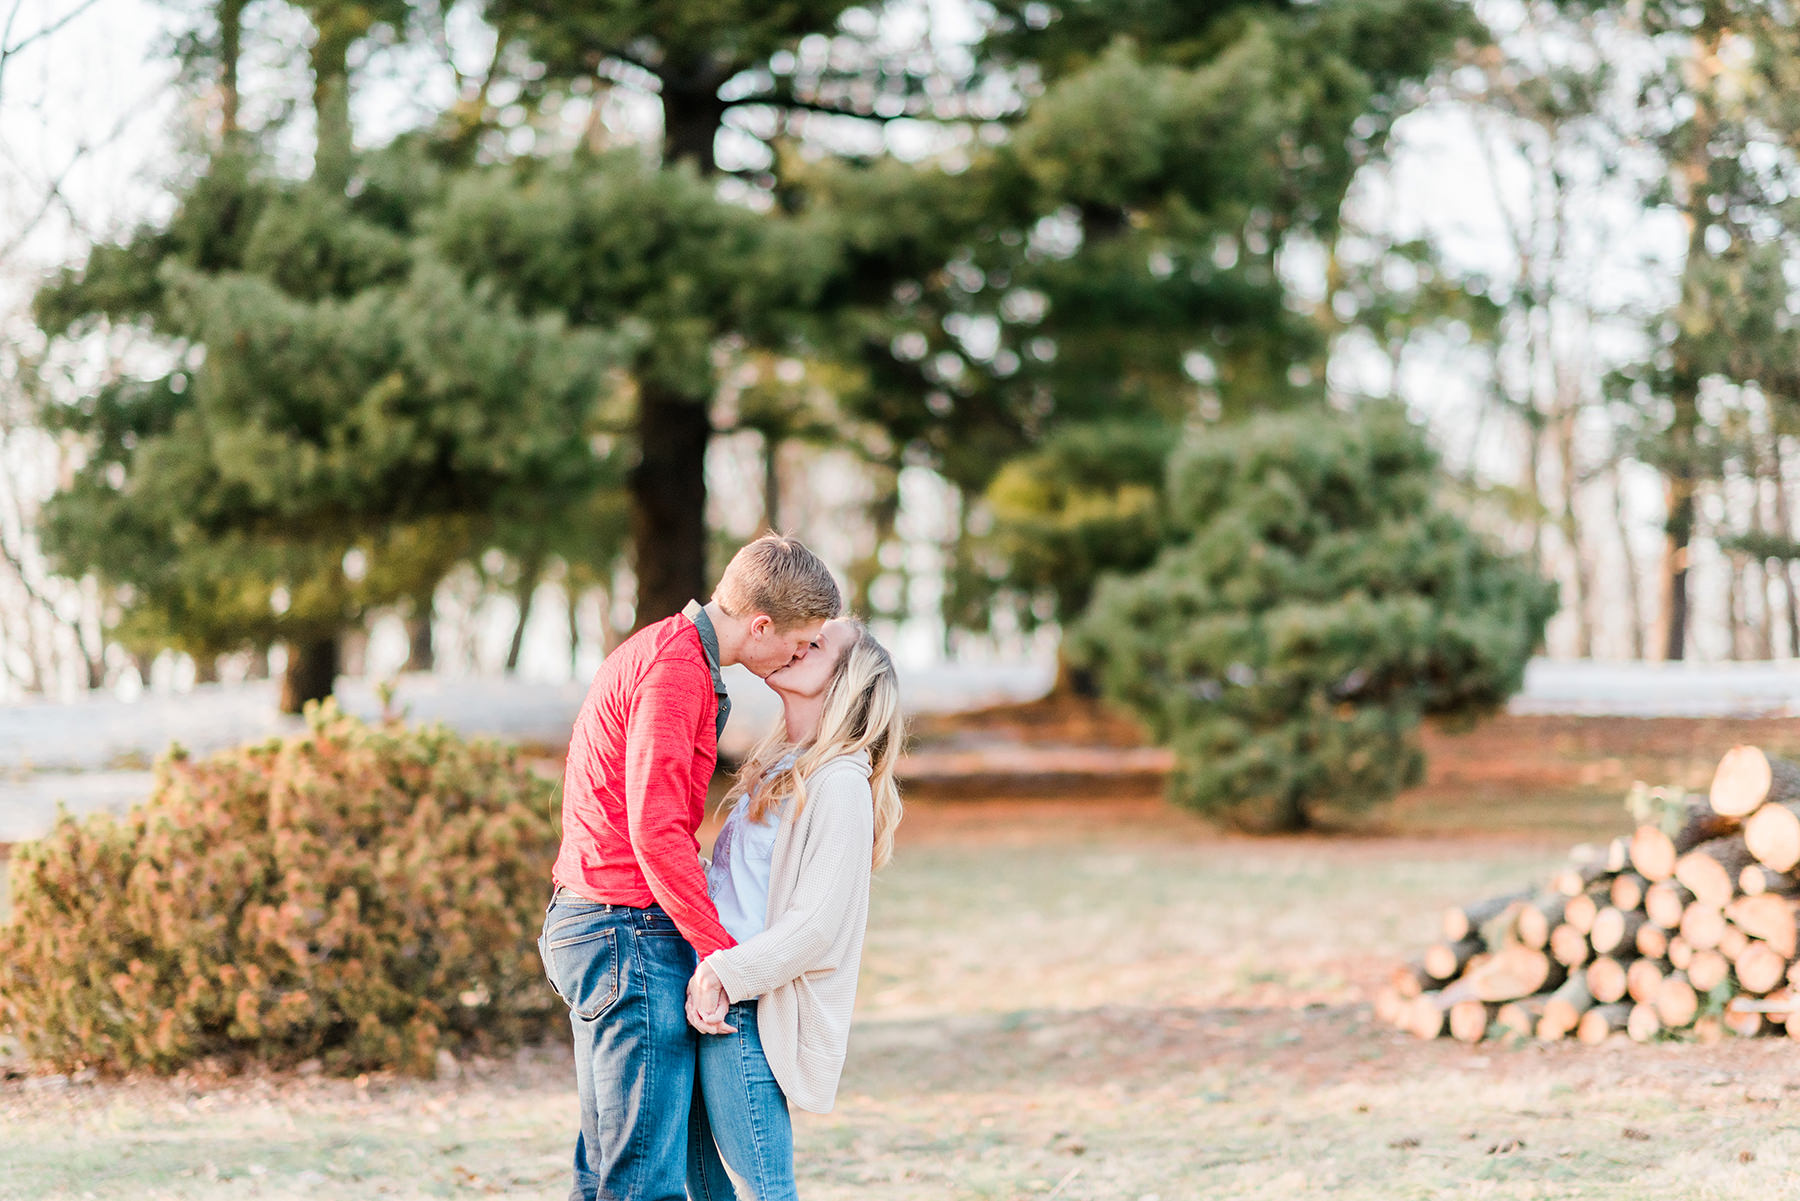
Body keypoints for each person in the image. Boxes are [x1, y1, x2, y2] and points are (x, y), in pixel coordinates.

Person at [540, 534, 841, 1201]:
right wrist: (720, 955)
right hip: (627, 929)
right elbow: (656, 830)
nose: (799, 655)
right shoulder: (675, 670)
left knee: (608, 1173)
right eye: (798, 641)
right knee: (643, 1181)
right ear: (760, 624)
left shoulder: (664, 648)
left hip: (599, 922)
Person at [682, 618, 905, 1201]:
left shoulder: (841, 783)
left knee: (765, 1192)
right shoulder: (781, 768)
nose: (797, 643)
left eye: (817, 643)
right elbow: (741, 891)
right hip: (714, 991)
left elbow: (816, 926)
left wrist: (723, 975)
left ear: (845, 679)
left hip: (748, 1009)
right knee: (704, 1187)